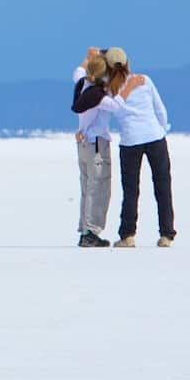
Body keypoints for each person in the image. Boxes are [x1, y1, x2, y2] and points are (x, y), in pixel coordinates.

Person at [102, 47, 176, 248]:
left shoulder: (109, 89)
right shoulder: (144, 80)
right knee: (163, 187)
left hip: (130, 141)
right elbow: (160, 109)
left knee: (131, 189)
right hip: (155, 137)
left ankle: (127, 235)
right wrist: (161, 129)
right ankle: (167, 234)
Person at [70, 47, 121, 247]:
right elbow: (118, 106)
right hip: (97, 145)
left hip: (83, 144)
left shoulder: (83, 85)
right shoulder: (100, 96)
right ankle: (91, 231)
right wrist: (126, 85)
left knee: (86, 187)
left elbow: (78, 73)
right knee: (99, 187)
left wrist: (88, 59)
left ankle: (85, 228)